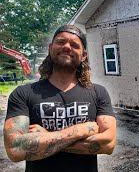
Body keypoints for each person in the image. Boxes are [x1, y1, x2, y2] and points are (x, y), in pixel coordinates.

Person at [3, 25, 116, 172]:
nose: (67, 47)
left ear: (83, 56)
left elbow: (108, 144)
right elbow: (15, 148)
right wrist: (79, 131)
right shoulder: (23, 93)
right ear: (50, 49)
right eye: (61, 42)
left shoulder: (98, 92)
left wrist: (46, 138)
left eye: (75, 45)